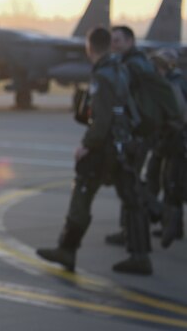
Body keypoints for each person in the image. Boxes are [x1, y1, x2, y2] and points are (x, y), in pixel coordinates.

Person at [37, 27, 152, 275]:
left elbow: (101, 120)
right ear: (109, 45)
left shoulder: (102, 76)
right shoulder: (121, 69)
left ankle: (67, 250)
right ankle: (140, 256)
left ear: (90, 48)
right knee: (133, 201)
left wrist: (86, 145)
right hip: (124, 143)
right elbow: (128, 109)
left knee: (82, 193)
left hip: (105, 147)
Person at [105, 25, 179, 245]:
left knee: (130, 181)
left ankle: (158, 214)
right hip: (141, 130)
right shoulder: (137, 63)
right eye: (112, 41)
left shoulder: (133, 66)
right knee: (130, 180)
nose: (113, 45)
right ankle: (131, 230)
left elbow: (126, 98)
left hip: (138, 132)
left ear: (130, 41)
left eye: (117, 40)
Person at [150, 48, 186, 247]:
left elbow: (178, 117)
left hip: (175, 141)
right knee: (172, 182)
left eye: (159, 65)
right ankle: (173, 227)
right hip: (173, 140)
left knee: (172, 183)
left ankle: (171, 227)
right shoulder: (174, 82)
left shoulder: (174, 85)